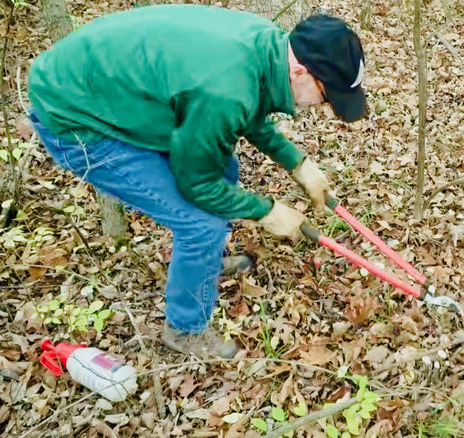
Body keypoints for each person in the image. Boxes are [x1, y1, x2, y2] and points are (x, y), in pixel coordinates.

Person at [27, 4, 368, 359]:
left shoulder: (266, 46)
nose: (325, 108)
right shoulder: (225, 86)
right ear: (300, 71)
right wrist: (266, 211)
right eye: (327, 97)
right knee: (200, 224)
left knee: (226, 171)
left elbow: (246, 106)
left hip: (118, 95)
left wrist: (297, 163)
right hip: (76, 119)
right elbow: (198, 183)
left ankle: (205, 263)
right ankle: (185, 330)